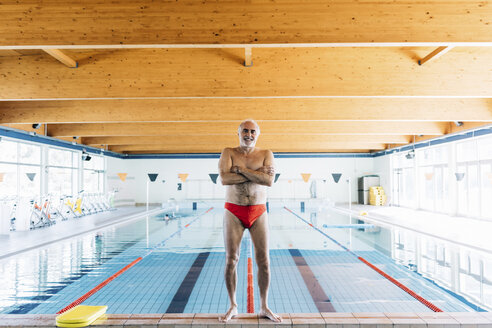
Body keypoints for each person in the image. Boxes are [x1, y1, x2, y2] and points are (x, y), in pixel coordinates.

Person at [218, 119, 281, 322]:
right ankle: (233, 306)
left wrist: (241, 171)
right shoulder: (228, 152)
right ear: (238, 132)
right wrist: (257, 174)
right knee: (231, 260)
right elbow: (225, 179)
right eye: (245, 131)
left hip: (258, 210)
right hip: (233, 210)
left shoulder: (266, 154)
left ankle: (264, 306)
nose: (249, 134)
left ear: (258, 134)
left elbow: (269, 181)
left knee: (264, 261)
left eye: (253, 131)